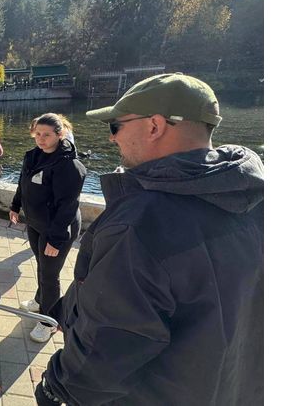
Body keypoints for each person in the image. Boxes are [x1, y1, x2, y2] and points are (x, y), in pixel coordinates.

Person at [35, 73, 264, 406]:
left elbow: (102, 354)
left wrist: (54, 389)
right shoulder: (259, 197)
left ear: (155, 126)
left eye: (117, 126)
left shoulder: (139, 224)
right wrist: (67, 310)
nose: (113, 139)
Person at [10, 113, 86, 343]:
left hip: (58, 229)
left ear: (60, 134)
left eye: (47, 135)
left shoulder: (69, 166)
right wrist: (15, 206)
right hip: (35, 224)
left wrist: (55, 239)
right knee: (42, 267)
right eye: (38, 134)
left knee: (50, 275)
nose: (41, 139)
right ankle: (40, 299)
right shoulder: (33, 156)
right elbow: (23, 183)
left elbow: (67, 207)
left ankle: (49, 321)